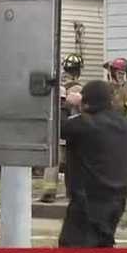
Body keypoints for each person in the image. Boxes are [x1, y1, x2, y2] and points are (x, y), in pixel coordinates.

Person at [57, 81, 127, 248]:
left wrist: (66, 104)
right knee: (102, 247)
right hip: (116, 200)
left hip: (89, 201)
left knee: (73, 250)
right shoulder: (123, 123)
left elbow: (58, 126)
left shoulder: (86, 125)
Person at [39, 54, 84, 203]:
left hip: (54, 131)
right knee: (73, 164)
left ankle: (48, 191)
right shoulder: (79, 89)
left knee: (53, 163)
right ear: (78, 71)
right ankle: (71, 193)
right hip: (72, 133)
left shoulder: (57, 87)